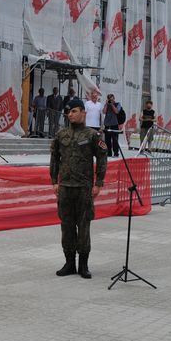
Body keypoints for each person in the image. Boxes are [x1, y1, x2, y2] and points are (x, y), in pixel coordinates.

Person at [50, 99, 107, 279]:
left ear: (83, 112)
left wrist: (98, 183)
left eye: (74, 111)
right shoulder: (61, 135)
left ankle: (83, 265)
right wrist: (54, 181)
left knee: (83, 227)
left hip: (84, 188)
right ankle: (69, 263)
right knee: (66, 227)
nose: (70, 114)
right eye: (69, 112)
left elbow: (102, 158)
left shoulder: (92, 135)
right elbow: (54, 158)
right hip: (65, 187)